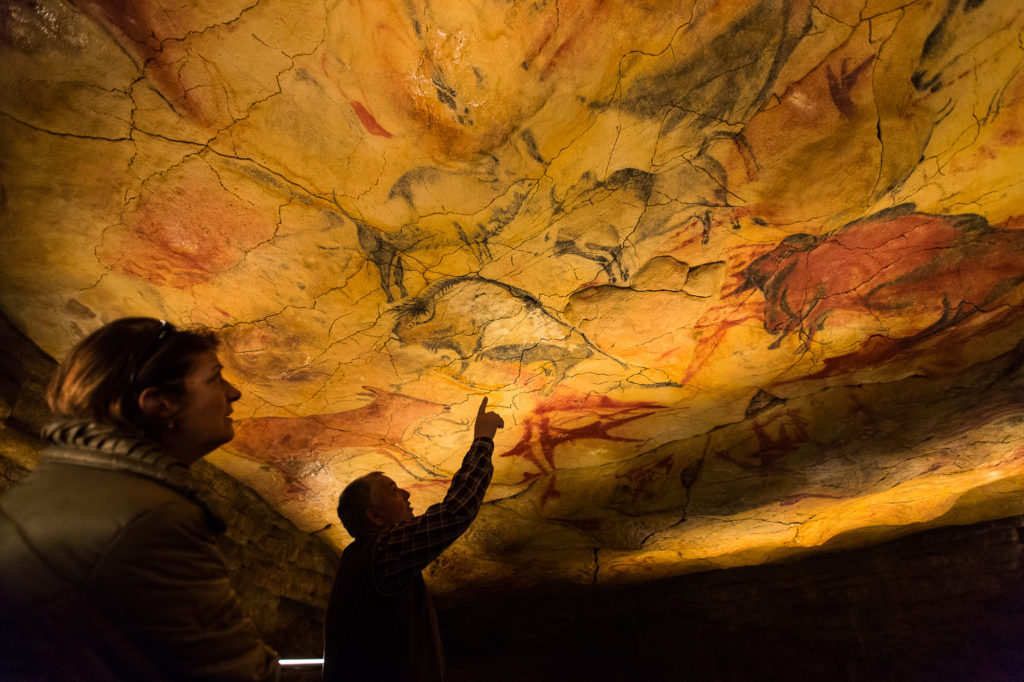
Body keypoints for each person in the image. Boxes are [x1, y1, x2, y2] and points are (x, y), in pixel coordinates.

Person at [0, 317, 279, 681]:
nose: (233, 393)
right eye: (214, 377)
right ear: (160, 404)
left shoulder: (47, 490)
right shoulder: (154, 518)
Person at [322, 397, 504, 682]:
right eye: (394, 490)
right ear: (376, 516)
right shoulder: (381, 552)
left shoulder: (361, 562)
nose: (406, 494)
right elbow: (455, 512)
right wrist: (482, 439)